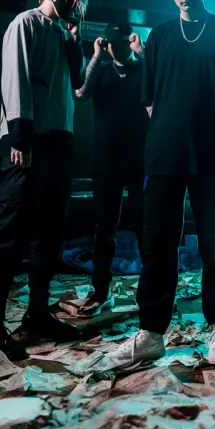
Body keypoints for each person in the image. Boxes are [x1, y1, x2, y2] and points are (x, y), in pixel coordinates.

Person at [107, 0, 215, 369]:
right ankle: (152, 332)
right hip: (164, 156)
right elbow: (149, 99)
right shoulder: (160, 37)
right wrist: (170, 133)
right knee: (158, 243)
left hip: (211, 155)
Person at [0, 0, 87, 360]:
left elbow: (76, 84)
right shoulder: (25, 23)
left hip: (58, 138)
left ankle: (37, 315)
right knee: (10, 230)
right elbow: (14, 77)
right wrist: (20, 136)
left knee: (49, 231)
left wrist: (75, 46)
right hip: (27, 138)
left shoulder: (62, 34)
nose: (74, 3)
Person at [73, 21, 147, 315]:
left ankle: (150, 290)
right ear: (107, 45)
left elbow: (163, 80)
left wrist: (141, 52)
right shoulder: (102, 71)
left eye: (122, 42)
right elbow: (81, 92)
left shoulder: (143, 70)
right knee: (104, 228)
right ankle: (101, 291)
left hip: (140, 160)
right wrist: (95, 56)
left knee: (145, 225)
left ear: (129, 41)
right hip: (106, 161)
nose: (118, 48)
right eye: (112, 44)